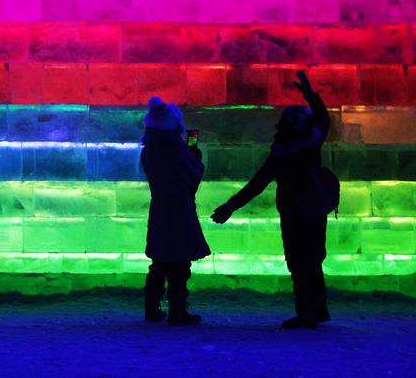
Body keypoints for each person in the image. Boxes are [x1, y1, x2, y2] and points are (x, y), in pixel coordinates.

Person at [211, 71, 331, 329]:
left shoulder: (284, 152)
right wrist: (311, 97)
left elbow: (258, 183)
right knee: (312, 259)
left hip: (295, 211)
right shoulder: (311, 144)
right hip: (314, 207)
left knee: (300, 261)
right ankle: (316, 308)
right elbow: (323, 119)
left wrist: (230, 206)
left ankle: (307, 312)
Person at [141, 96, 210, 326]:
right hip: (179, 208)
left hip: (160, 206)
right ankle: (178, 310)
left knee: (159, 261)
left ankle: (152, 308)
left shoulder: (149, 150)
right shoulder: (175, 149)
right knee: (180, 262)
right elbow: (192, 175)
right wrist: (195, 157)